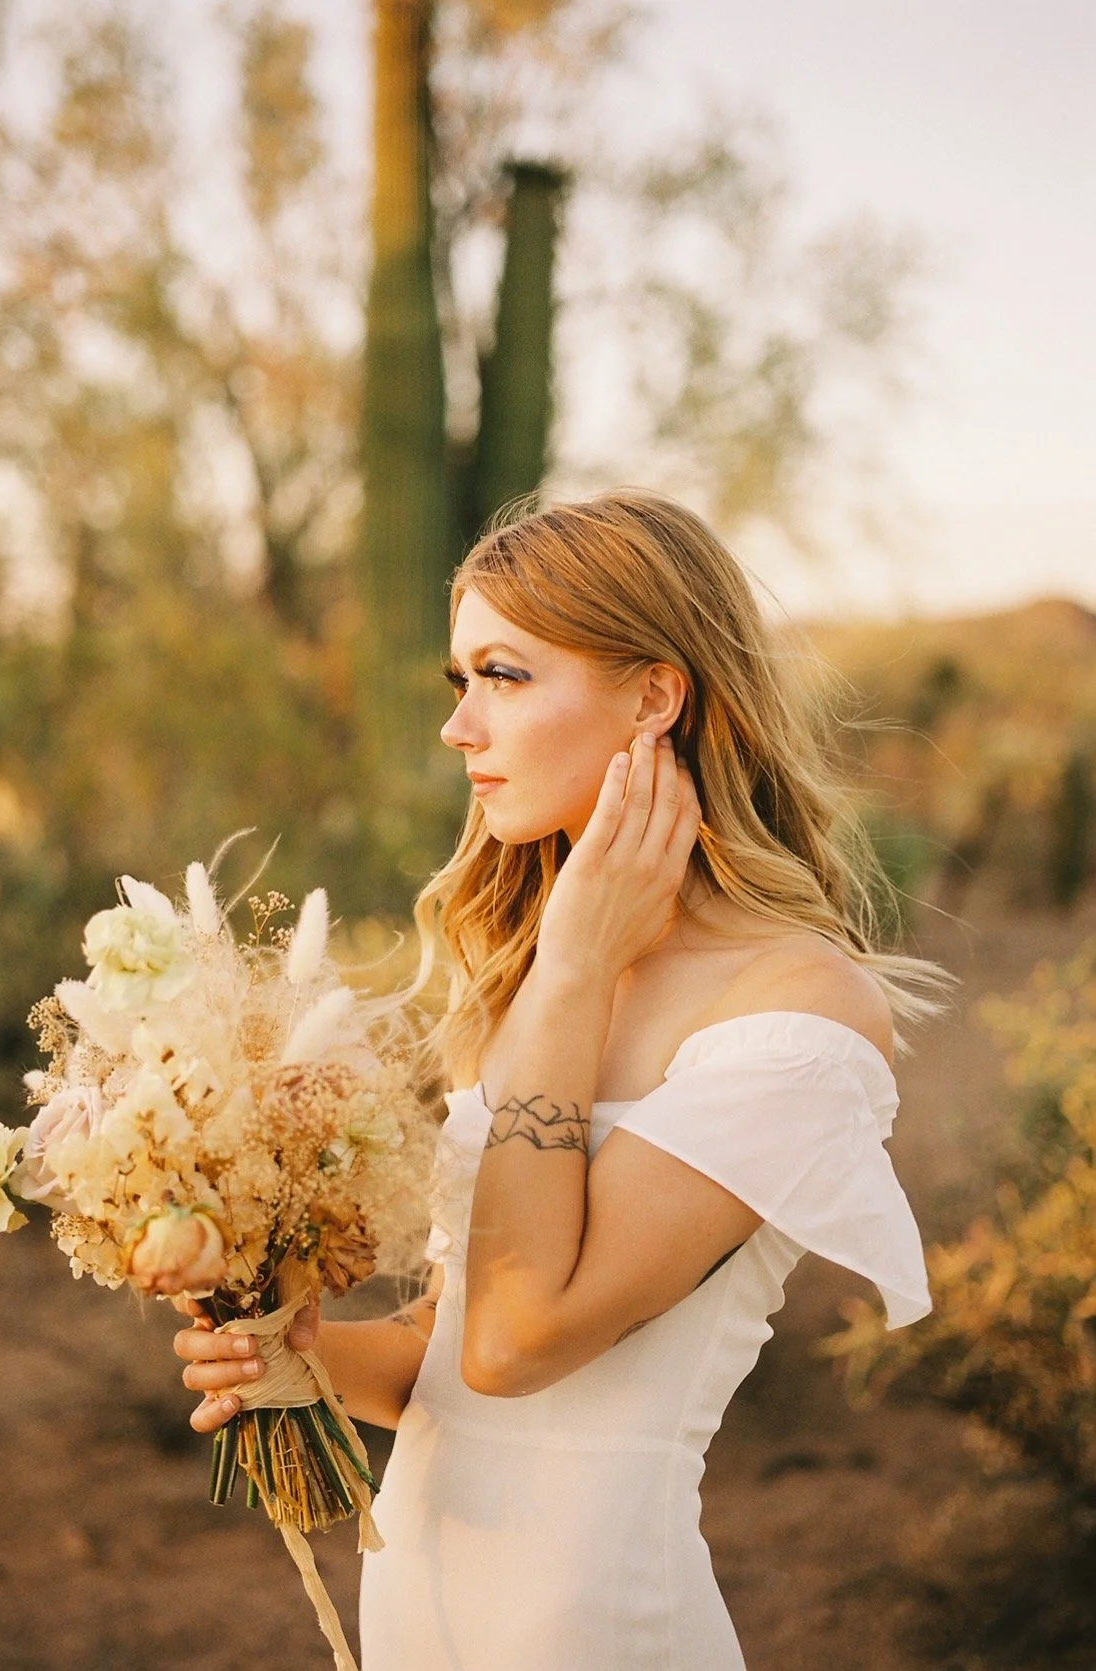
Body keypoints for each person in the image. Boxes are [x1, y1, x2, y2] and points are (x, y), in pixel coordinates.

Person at [173, 490, 944, 1669]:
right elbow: (449, 1352)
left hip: (590, 1623)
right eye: (457, 680)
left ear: (654, 696)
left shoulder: (794, 1008)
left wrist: (578, 963)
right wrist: (290, 1347)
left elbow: (520, 1341)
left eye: (505, 675)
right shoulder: (523, 983)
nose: (459, 728)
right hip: (415, 1604)